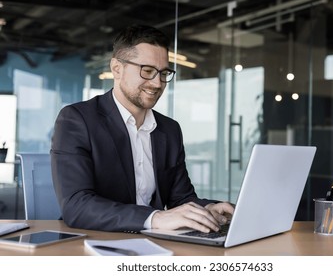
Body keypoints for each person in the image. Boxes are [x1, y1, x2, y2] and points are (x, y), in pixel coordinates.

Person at [51, 24, 234, 233]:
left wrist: (207, 209)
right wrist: (155, 218)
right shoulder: (77, 120)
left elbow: (180, 198)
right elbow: (77, 206)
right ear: (117, 68)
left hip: (154, 245)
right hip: (94, 242)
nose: (157, 83)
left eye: (164, 73)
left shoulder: (170, 130)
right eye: (147, 71)